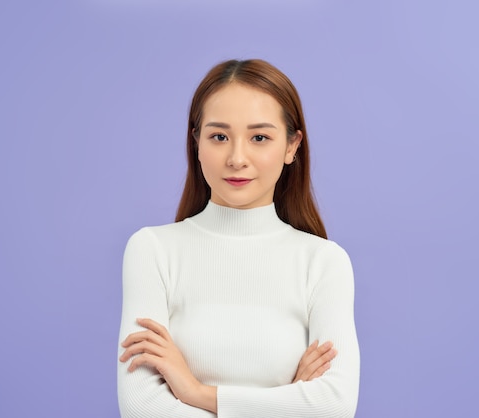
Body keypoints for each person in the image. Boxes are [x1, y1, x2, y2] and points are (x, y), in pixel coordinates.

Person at [117, 59, 360, 417]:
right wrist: (287, 401)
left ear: (292, 146)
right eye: (219, 137)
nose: (236, 158)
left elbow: (334, 406)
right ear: (197, 142)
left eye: (259, 137)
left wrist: (197, 393)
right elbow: (142, 408)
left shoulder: (324, 262)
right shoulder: (152, 250)